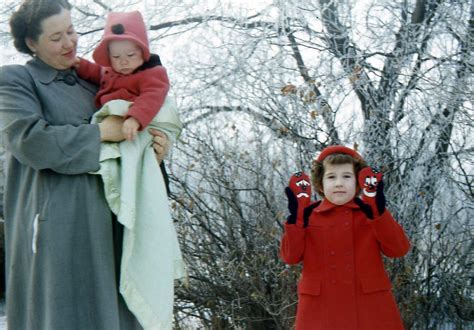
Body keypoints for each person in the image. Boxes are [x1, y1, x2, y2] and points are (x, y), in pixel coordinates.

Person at [0, 0, 174, 328]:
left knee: (118, 314)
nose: (69, 43)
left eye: (71, 31)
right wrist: (99, 134)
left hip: (113, 228)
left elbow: (138, 128)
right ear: (31, 44)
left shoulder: (102, 82)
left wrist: (154, 154)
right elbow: (30, 141)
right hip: (58, 228)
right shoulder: (17, 81)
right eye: (55, 37)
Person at [280, 145, 411, 329]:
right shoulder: (307, 216)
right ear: (320, 182)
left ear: (359, 181)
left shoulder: (370, 213)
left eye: (347, 176)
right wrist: (296, 218)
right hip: (320, 311)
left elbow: (398, 250)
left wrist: (378, 211)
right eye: (331, 177)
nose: (339, 183)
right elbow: (290, 257)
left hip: (370, 310)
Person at [75, 10, 170, 141]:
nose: (123, 61)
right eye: (116, 56)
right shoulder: (110, 70)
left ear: (143, 51)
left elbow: (152, 96)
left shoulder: (152, 73)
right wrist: (80, 65)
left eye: (130, 55)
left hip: (133, 125)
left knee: (131, 155)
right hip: (107, 123)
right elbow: (96, 72)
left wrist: (135, 118)